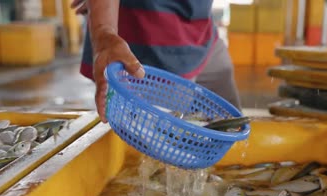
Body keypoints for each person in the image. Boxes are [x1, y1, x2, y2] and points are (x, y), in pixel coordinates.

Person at [71, 0, 241, 123]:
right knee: (161, 146)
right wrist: (103, 29)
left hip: (202, 29)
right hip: (148, 42)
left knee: (233, 125)